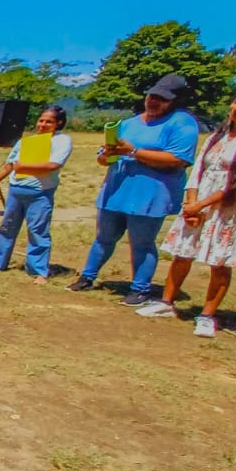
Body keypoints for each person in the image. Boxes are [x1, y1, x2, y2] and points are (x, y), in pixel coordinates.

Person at [136, 87, 236, 336]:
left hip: (229, 207)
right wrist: (191, 204)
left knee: (219, 261)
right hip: (199, 201)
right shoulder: (218, 135)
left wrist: (202, 204)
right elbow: (197, 170)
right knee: (182, 253)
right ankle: (166, 303)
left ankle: (207, 315)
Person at [67, 73, 199, 304]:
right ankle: (87, 277)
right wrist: (107, 155)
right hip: (116, 192)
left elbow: (178, 159)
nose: (153, 101)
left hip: (150, 196)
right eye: (152, 96)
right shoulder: (127, 124)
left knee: (142, 243)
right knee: (103, 238)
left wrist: (133, 152)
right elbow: (103, 158)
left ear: (175, 101)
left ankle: (140, 288)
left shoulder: (182, 123)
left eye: (162, 99)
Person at [0, 105, 73, 283]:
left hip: (40, 193)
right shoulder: (25, 142)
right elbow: (8, 166)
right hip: (16, 190)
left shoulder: (62, 141)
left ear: (58, 123)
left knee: (37, 231)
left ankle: (38, 271)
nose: (42, 124)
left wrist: (23, 166)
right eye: (41, 120)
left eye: (49, 121)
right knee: (7, 229)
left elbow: (53, 165)